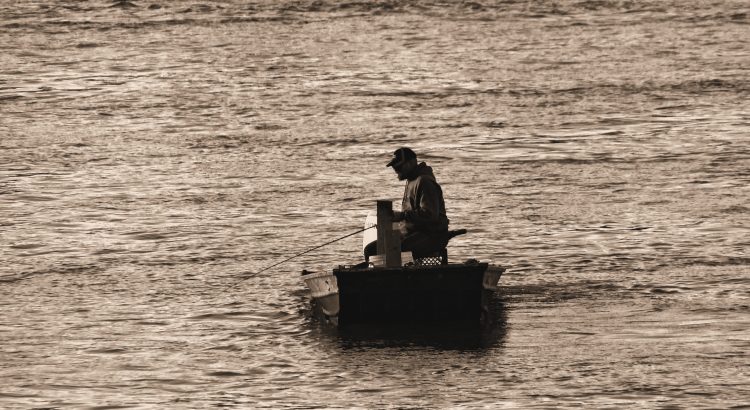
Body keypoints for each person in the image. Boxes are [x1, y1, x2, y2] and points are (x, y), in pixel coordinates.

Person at [386, 147, 450, 259]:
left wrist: (402, 216)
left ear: (412, 162)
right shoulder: (411, 180)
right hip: (414, 233)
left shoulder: (424, 181)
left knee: (391, 249)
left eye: (399, 167)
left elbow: (430, 215)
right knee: (374, 247)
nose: (396, 170)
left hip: (432, 235)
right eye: (394, 167)